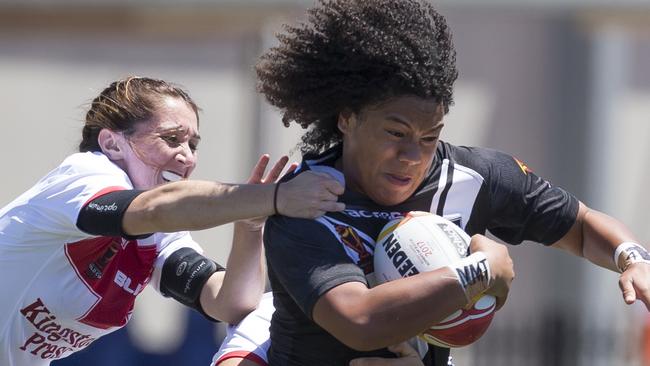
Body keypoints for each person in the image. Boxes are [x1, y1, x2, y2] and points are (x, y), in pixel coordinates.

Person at [213, 0, 650, 365]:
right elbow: (358, 320)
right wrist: (479, 273)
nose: (413, 156)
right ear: (347, 118)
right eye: (396, 133)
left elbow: (579, 224)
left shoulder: (473, 177)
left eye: (429, 137)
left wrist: (632, 258)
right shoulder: (303, 204)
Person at [0, 76, 346, 366]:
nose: (187, 157)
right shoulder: (85, 173)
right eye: (172, 139)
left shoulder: (156, 232)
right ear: (112, 143)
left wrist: (251, 224)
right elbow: (154, 209)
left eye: (193, 144)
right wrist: (273, 197)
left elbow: (230, 303)